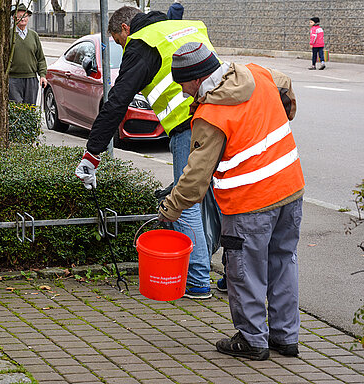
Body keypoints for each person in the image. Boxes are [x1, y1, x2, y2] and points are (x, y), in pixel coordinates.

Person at [160, 42, 304, 360]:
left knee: (244, 271)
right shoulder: (256, 74)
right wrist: (285, 112)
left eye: (183, 84)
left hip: (249, 204)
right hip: (290, 189)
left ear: (196, 79)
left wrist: (170, 208)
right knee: (283, 262)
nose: (184, 92)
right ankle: (285, 337)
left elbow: (196, 178)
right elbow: (286, 86)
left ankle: (253, 339)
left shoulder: (212, 114)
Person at [74, 6, 217, 299]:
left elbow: (116, 102)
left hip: (187, 127)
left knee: (185, 202)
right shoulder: (186, 27)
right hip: (222, 121)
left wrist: (92, 153)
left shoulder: (143, 43)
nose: (122, 47)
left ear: (125, 28)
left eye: (118, 41)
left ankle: (199, 280)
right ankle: (236, 273)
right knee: (222, 198)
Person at [9, 3, 47, 105]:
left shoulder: (33, 35)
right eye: (20, 16)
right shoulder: (9, 35)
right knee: (16, 109)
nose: (22, 19)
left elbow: (40, 58)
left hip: (31, 79)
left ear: (28, 18)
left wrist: (42, 75)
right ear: (14, 17)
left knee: (30, 108)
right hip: (13, 80)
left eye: (25, 16)